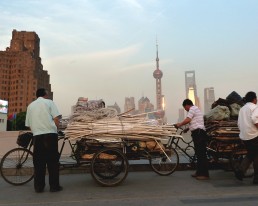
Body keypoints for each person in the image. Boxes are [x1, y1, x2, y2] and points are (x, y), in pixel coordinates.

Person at [25, 88, 62, 193]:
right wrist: (56, 128)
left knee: (39, 163)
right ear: (45, 94)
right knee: (53, 162)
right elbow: (56, 118)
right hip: (50, 135)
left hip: (37, 137)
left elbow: (29, 125)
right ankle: (54, 187)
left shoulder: (30, 106)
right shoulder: (49, 102)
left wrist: (37, 131)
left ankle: (39, 187)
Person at [175, 99, 209, 180]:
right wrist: (187, 129)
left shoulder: (192, 109)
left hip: (199, 133)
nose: (185, 110)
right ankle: (198, 172)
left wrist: (180, 124)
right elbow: (194, 122)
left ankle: (204, 174)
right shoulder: (195, 109)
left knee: (201, 154)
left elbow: (188, 119)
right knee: (198, 153)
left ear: (187, 105)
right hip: (197, 133)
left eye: (185, 108)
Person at [235, 91, 258, 184]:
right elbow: (254, 119)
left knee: (253, 154)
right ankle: (242, 172)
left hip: (244, 136)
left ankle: (243, 173)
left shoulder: (242, 109)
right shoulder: (254, 107)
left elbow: (239, 124)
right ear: (254, 99)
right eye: (256, 98)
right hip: (254, 135)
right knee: (254, 155)